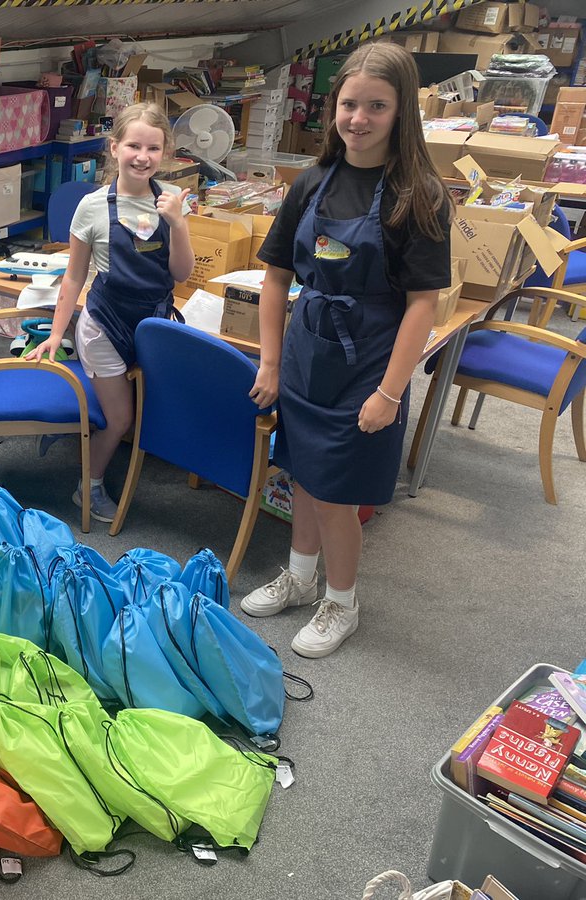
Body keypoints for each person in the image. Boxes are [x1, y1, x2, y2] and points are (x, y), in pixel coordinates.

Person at [240, 42, 452, 657]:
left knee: (338, 495)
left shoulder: (420, 197)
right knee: (304, 475)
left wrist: (390, 392)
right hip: (309, 352)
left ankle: (342, 602)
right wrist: (273, 361)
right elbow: (277, 277)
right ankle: (301, 579)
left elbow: (423, 304)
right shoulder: (311, 183)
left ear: (402, 110)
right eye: (348, 104)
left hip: (370, 360)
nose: (358, 118)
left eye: (376, 107)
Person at [27, 102, 194, 522]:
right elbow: (73, 277)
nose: (143, 156)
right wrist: (54, 333)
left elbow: (181, 273)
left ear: (164, 153)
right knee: (120, 420)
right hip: (105, 324)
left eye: (153, 148)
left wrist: (178, 224)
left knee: (155, 408)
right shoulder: (93, 207)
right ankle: (89, 486)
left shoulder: (172, 202)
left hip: (153, 324)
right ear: (115, 147)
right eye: (134, 145)